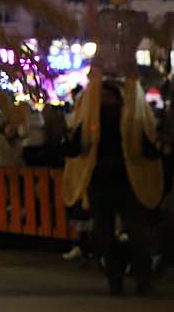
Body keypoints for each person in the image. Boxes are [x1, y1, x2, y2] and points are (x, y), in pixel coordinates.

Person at [62, 79, 162, 296]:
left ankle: (140, 280)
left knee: (135, 233)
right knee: (107, 234)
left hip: (126, 182)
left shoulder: (130, 120)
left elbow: (147, 149)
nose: (107, 101)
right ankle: (117, 280)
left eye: (110, 97)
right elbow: (74, 149)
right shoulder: (89, 121)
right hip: (102, 182)